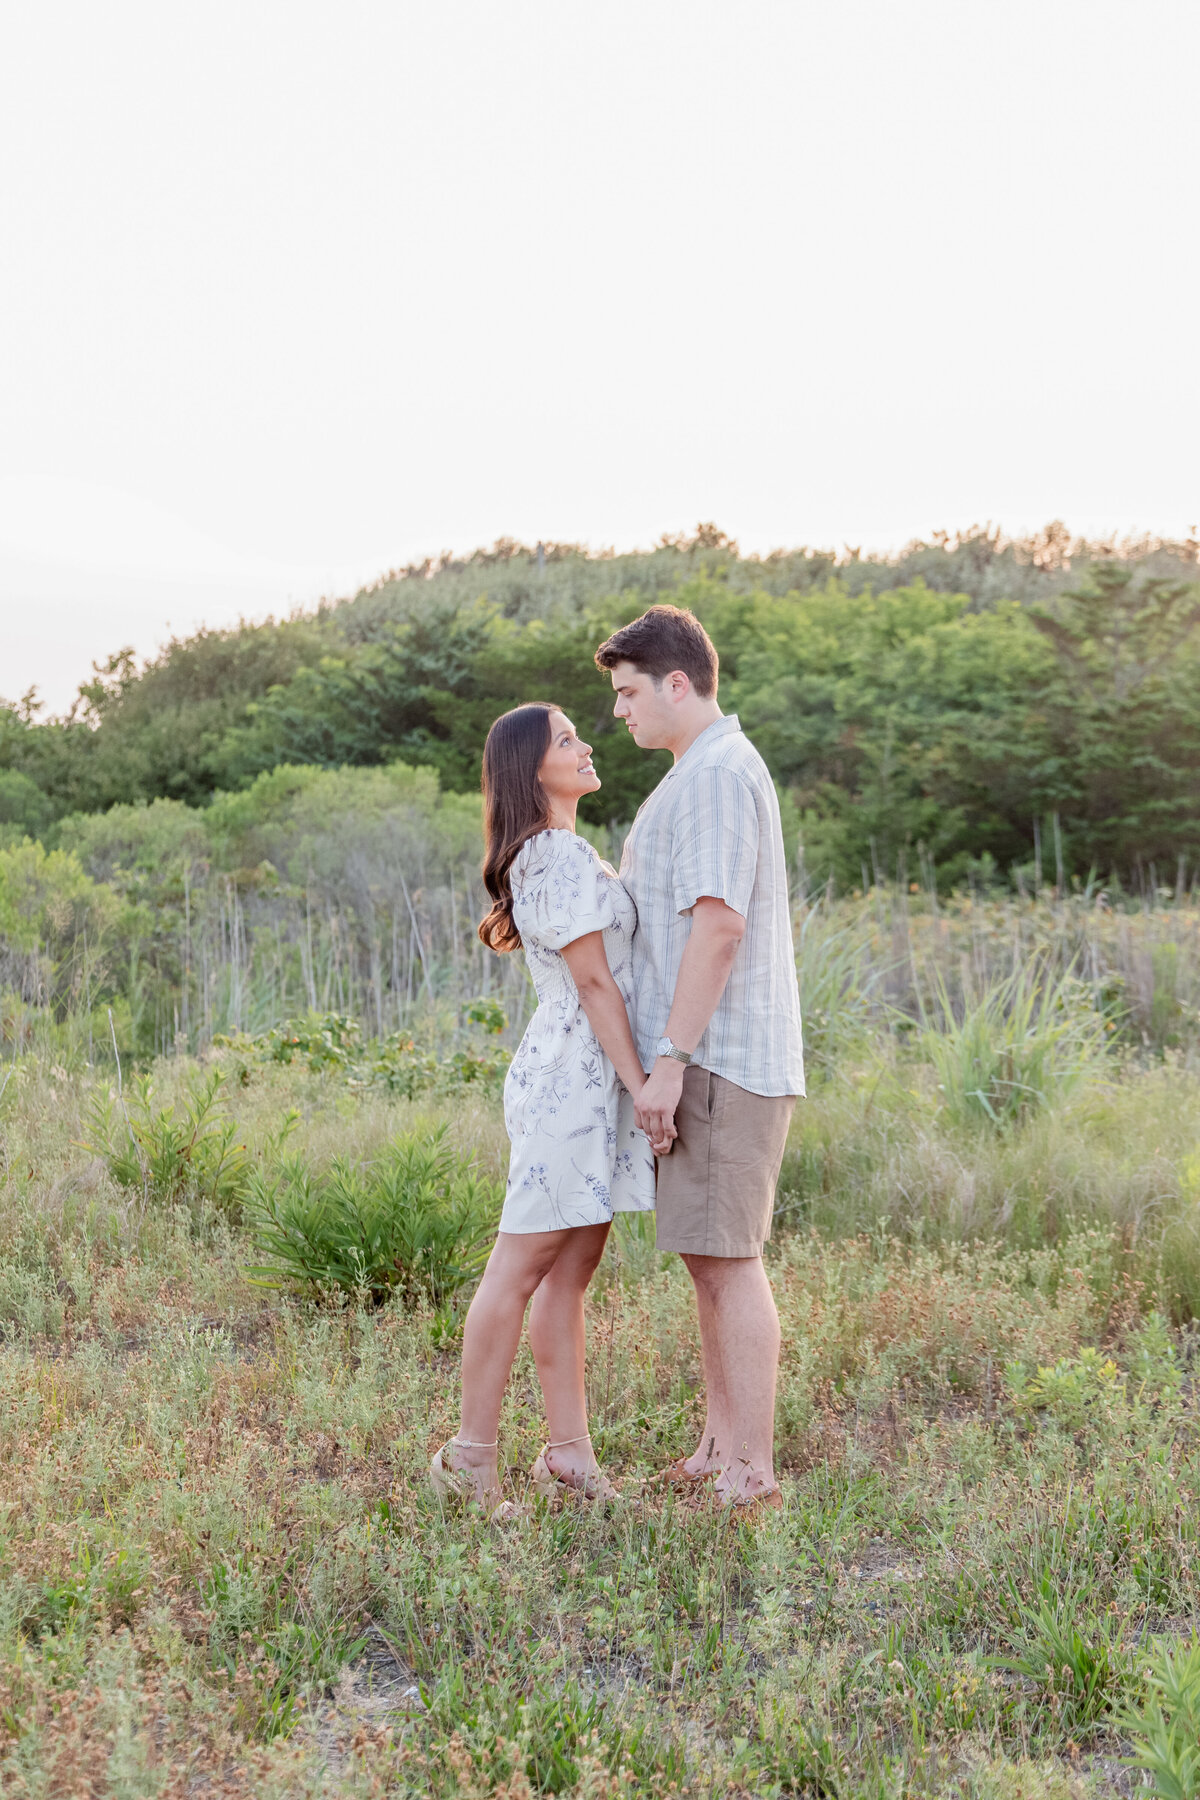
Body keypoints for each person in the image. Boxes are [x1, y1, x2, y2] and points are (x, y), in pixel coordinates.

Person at [594, 605, 805, 1515]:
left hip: (719, 1058)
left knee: (729, 1260)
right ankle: (719, 1445)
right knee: (703, 1256)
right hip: (699, 1060)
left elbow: (718, 927)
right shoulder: (693, 774)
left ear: (679, 683)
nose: (620, 712)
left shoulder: (718, 775)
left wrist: (671, 1059)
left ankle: (751, 1470)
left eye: (630, 692)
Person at [429, 702, 661, 1516]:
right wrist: (645, 1086)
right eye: (567, 740)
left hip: (590, 1081)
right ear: (531, 771)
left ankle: (568, 1456)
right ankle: (469, 1458)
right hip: (574, 1083)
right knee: (518, 1268)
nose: (586, 744)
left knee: (571, 1273)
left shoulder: (568, 852)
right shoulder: (552, 858)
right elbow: (595, 983)